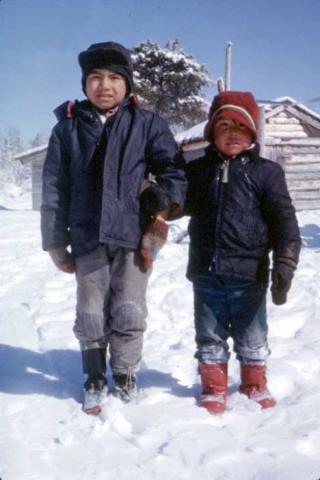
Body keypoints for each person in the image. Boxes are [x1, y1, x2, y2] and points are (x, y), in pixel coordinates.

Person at [41, 42, 186, 415]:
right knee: (90, 311)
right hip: (87, 236)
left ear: (128, 84)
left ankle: (123, 374)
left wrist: (160, 212)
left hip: (133, 236)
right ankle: (93, 377)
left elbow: (173, 172)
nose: (104, 86)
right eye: (95, 78)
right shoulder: (68, 129)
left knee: (129, 309)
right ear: (85, 84)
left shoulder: (148, 124)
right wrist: (56, 241)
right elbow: (54, 188)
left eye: (114, 78)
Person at [183, 91, 301, 414]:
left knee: (252, 335)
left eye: (240, 125)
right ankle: (213, 387)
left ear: (251, 133)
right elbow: (178, 204)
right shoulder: (198, 170)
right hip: (206, 272)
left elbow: (284, 220)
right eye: (223, 125)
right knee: (209, 335)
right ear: (211, 132)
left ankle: (253, 383)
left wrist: (286, 263)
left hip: (249, 275)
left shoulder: (266, 172)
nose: (232, 132)